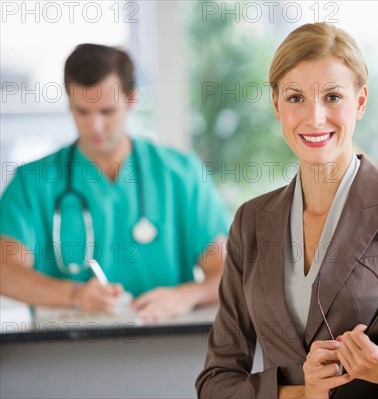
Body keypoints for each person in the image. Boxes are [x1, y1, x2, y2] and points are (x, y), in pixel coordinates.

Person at [196, 23, 378, 399]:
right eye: (296, 97)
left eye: (332, 97)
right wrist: (302, 394)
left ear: (360, 102)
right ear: (276, 105)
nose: (315, 118)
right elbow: (215, 383)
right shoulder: (251, 222)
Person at [0, 44, 229, 322]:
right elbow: (5, 272)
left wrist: (187, 295)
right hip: (62, 351)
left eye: (107, 111)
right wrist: (75, 294)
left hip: (165, 343)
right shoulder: (33, 182)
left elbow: (226, 272)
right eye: (82, 111)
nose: (94, 126)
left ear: (131, 99)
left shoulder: (180, 174)